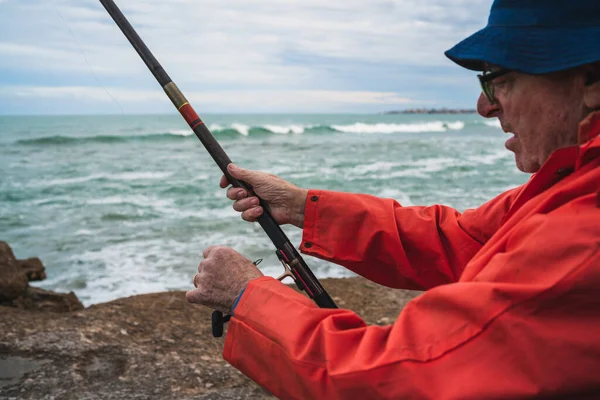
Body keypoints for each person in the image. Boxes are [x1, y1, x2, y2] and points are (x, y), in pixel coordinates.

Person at [186, 0, 600, 398]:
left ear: (591, 82)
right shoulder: (571, 180)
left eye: (498, 78)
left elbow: (403, 377)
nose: (484, 106)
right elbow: (458, 240)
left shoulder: (582, 231)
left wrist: (248, 297)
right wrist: (300, 206)